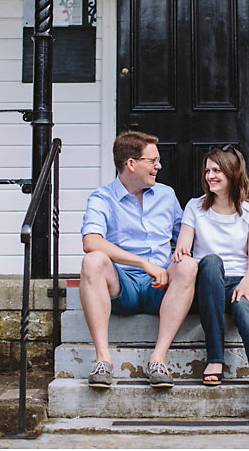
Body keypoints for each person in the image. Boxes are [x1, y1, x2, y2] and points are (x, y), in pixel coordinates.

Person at [173, 145, 249, 425]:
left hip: (241, 280)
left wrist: (246, 283)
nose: (209, 175)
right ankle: (216, 358)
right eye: (207, 170)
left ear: (232, 173)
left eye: (216, 170)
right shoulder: (195, 207)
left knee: (246, 311)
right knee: (209, 262)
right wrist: (182, 250)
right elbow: (185, 243)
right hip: (207, 284)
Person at [80, 130, 197, 388]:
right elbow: (91, 241)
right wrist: (143, 263)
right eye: (153, 161)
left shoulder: (166, 195)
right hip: (123, 287)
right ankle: (103, 359)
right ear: (131, 164)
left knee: (188, 265)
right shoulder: (102, 197)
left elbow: (186, 236)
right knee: (93, 261)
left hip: (162, 287)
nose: (159, 166)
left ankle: (158, 359)